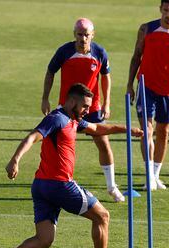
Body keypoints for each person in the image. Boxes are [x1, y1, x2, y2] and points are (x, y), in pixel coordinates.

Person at [0, 83, 143, 248]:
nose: (87, 110)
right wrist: (15, 159)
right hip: (60, 185)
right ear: (71, 101)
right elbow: (33, 137)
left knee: (44, 238)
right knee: (102, 216)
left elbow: (98, 128)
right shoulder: (57, 118)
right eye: (84, 105)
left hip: (41, 186)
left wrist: (128, 129)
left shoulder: (75, 120)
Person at [41, 18, 124, 203]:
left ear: (92, 35)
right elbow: (50, 72)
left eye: (86, 35)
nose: (83, 38)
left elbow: (106, 77)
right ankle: (55, 181)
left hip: (91, 109)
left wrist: (107, 103)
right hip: (67, 109)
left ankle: (112, 187)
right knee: (58, 147)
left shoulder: (99, 53)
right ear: (74, 35)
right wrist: (45, 98)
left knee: (103, 144)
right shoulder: (64, 51)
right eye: (80, 34)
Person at [126, 0, 169, 190]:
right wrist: (130, 84)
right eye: (165, 10)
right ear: (160, 9)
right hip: (146, 87)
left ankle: (155, 175)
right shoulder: (146, 29)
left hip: (168, 91)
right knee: (147, 131)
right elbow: (137, 56)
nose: (168, 15)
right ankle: (149, 176)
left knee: (164, 131)